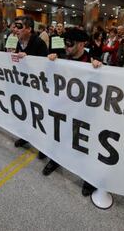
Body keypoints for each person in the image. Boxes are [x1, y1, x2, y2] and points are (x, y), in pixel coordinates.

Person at [44, 27, 101, 197]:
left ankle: (88, 178)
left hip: (85, 113)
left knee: (84, 144)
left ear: (82, 44)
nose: (66, 46)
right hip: (64, 108)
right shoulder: (61, 58)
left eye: (70, 43)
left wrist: (100, 69)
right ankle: (55, 160)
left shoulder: (92, 62)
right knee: (59, 135)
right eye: (65, 43)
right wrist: (49, 62)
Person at [12, 15, 49, 147]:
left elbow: (46, 68)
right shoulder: (18, 42)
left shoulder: (39, 43)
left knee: (39, 116)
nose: (15, 29)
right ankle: (26, 136)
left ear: (29, 29)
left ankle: (42, 144)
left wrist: (29, 59)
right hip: (24, 85)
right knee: (26, 113)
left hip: (37, 88)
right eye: (14, 26)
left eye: (19, 26)